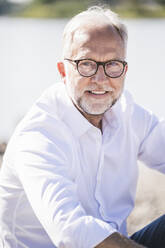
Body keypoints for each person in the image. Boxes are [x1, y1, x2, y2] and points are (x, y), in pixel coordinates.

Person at [0, 6, 165, 248]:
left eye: (113, 64)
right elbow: (71, 231)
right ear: (63, 71)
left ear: (125, 70)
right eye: (86, 64)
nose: (101, 79)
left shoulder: (126, 112)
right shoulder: (38, 136)